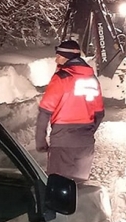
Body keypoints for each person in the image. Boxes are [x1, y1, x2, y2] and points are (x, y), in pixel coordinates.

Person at [35, 40, 105, 182]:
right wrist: (87, 133)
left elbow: (45, 111)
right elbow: (99, 114)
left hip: (63, 141)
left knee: (58, 185)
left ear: (67, 57)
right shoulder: (92, 79)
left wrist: (40, 140)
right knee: (79, 186)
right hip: (85, 143)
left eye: (59, 56)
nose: (56, 59)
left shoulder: (61, 78)